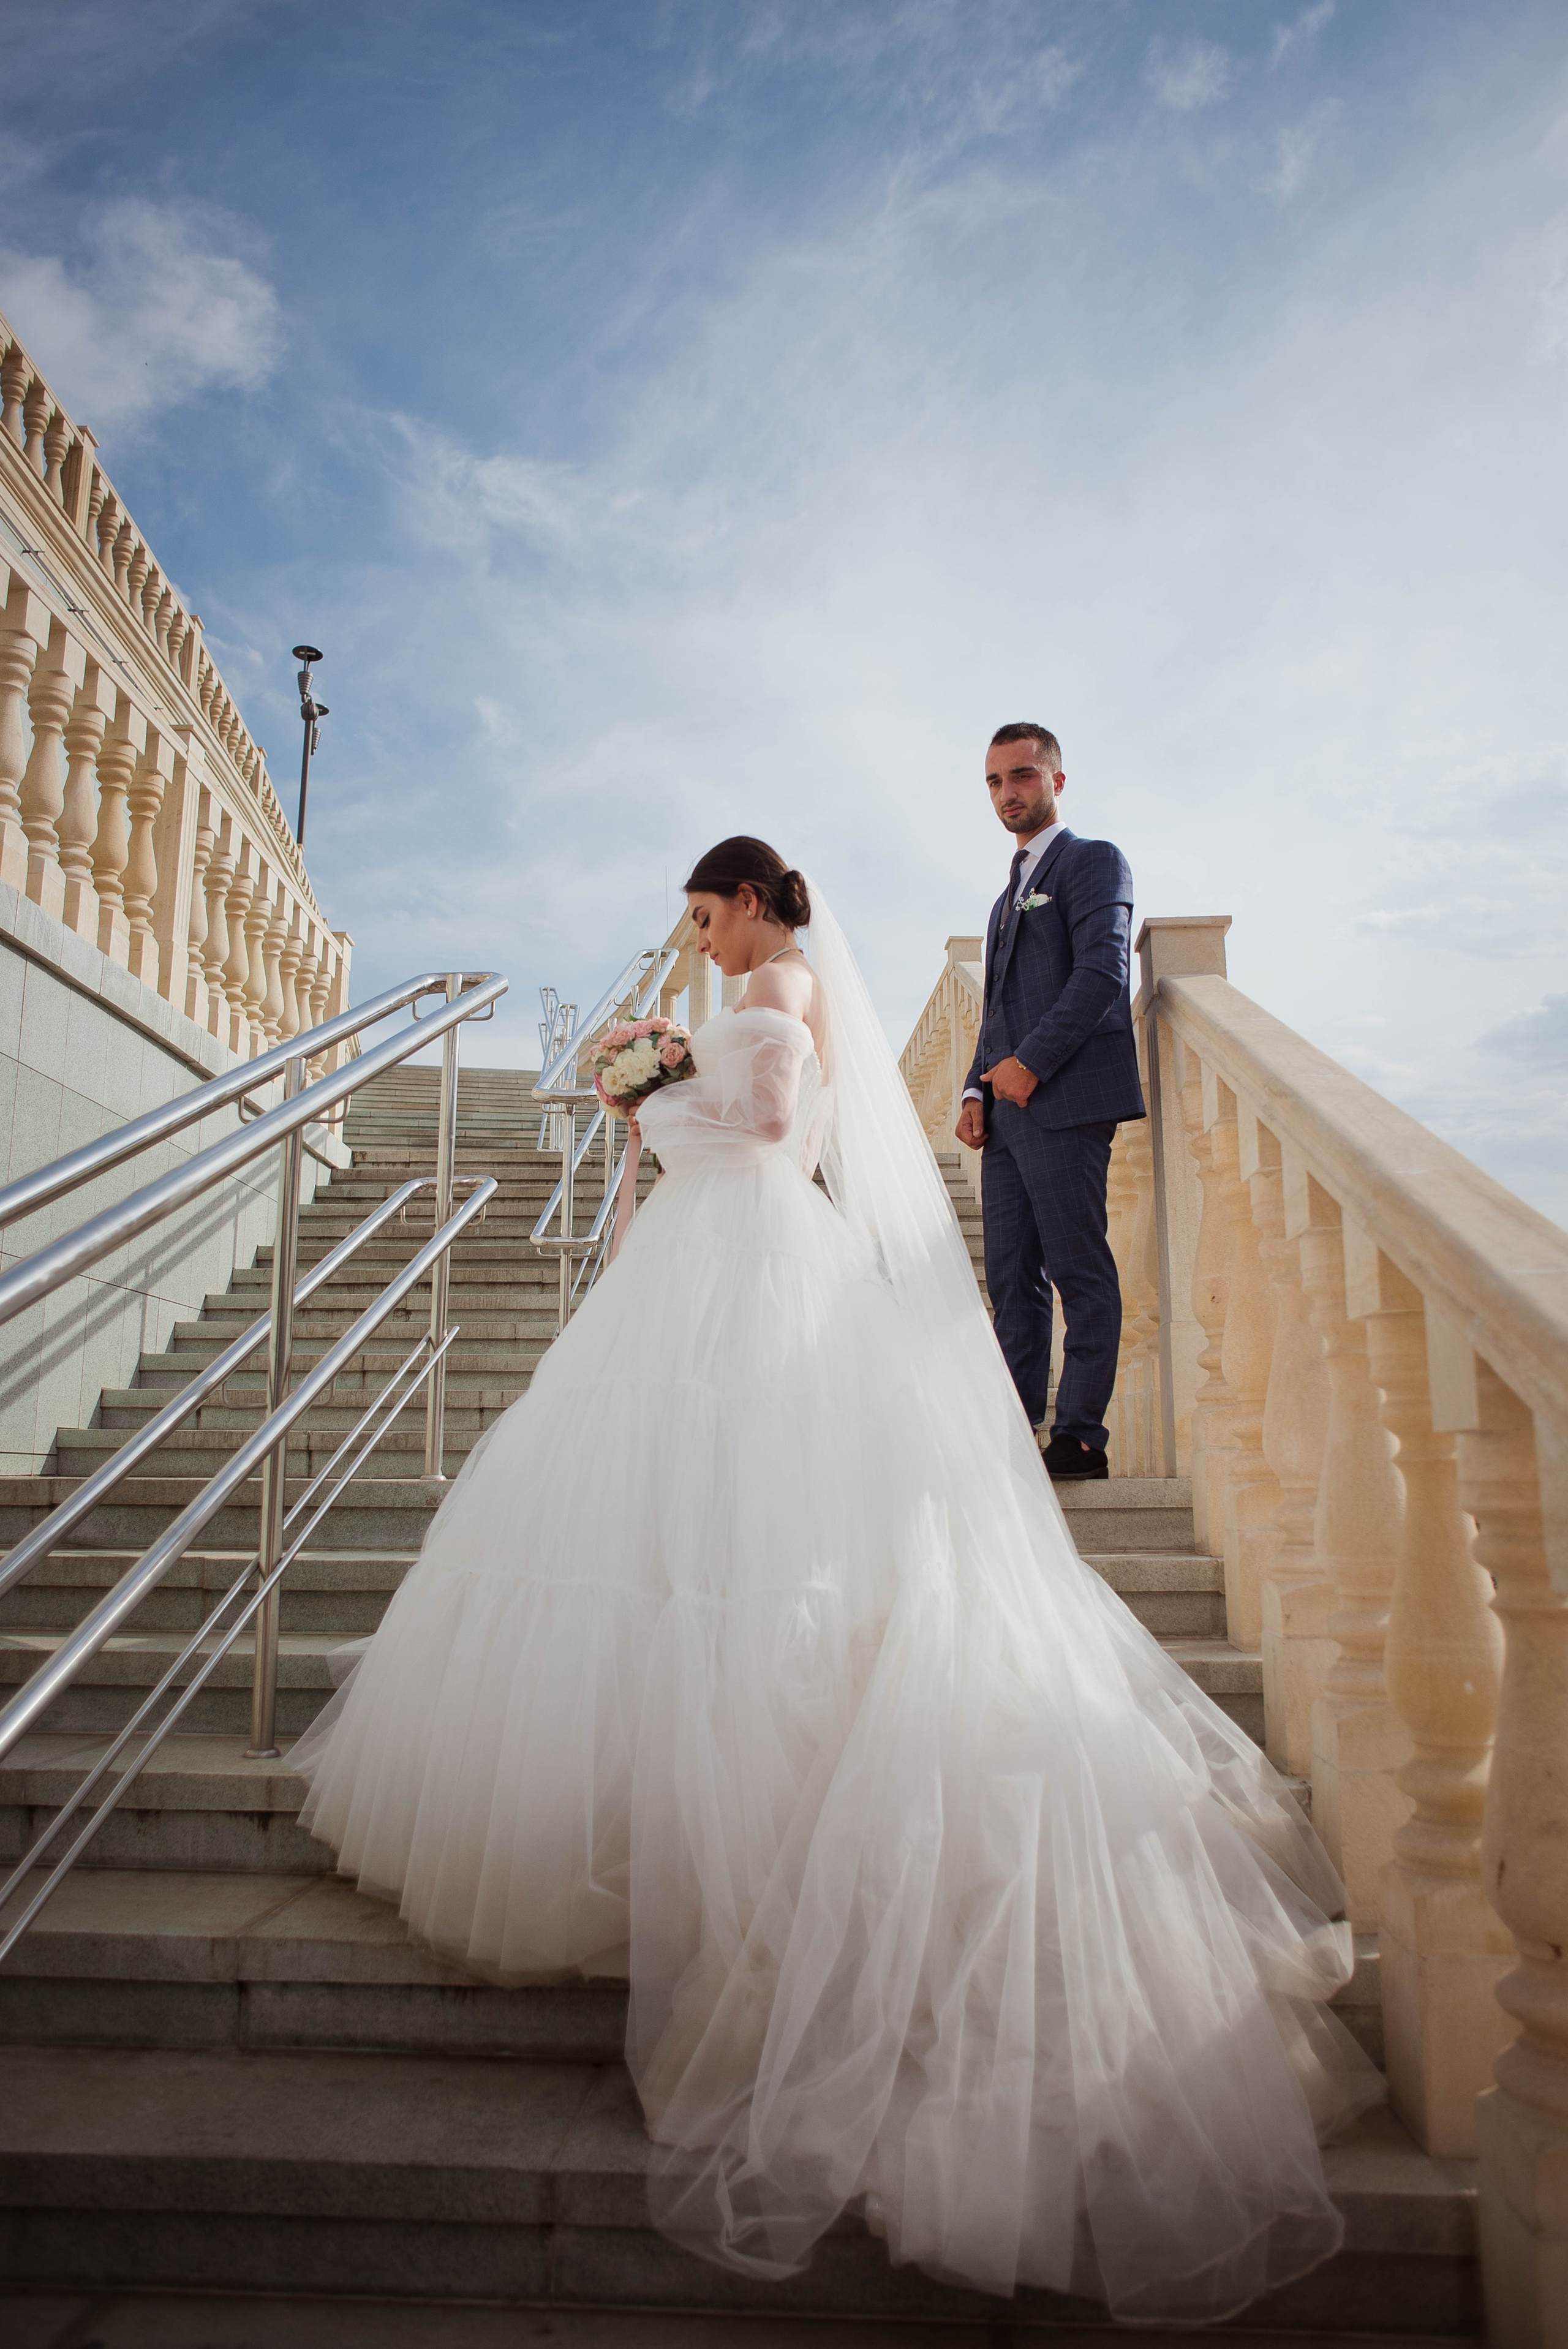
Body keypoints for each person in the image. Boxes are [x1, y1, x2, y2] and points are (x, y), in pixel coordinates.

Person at [295, 837, 1379, 2325]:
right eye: (690, 919)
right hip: (693, 1257)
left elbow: (775, 1122)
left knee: (755, 1530)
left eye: (704, 911)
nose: (697, 935)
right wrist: (644, 1089)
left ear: (753, 901)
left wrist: (650, 1087)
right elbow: (708, 1120)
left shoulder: (787, 980)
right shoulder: (721, 986)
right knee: (643, 1520)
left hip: (755, 1255)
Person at [956, 725, 1145, 1482]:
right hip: (1005, 1117)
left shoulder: (1092, 861)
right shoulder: (1006, 899)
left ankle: (1081, 1436)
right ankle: (1014, 1425)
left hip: (1066, 1101)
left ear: (1057, 782)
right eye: (997, 781)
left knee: (1078, 1267)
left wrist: (1030, 1064)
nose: (1009, 792)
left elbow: (1103, 972)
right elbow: (995, 1010)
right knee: (1011, 1277)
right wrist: (975, 1087)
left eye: (1024, 776)